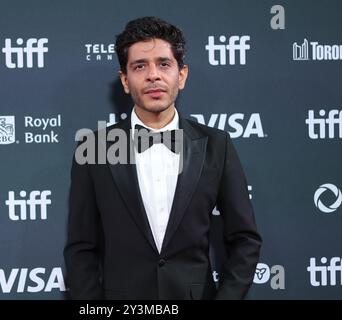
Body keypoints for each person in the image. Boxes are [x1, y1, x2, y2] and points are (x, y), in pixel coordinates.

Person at [64, 16, 262, 300]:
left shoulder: (217, 146)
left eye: (164, 64)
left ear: (181, 76)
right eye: (140, 66)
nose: (153, 75)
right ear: (125, 80)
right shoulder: (93, 148)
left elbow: (245, 240)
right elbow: (80, 248)